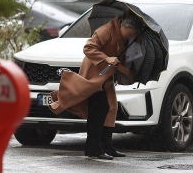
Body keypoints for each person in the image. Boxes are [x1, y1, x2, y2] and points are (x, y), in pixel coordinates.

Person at [49, 10, 143, 160]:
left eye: (133, 33)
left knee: (111, 107)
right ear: (122, 25)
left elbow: (128, 57)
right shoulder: (106, 30)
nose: (129, 35)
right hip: (94, 73)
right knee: (98, 109)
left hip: (106, 76)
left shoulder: (130, 38)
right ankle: (93, 148)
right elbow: (88, 48)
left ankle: (106, 146)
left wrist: (134, 44)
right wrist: (106, 58)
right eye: (129, 32)